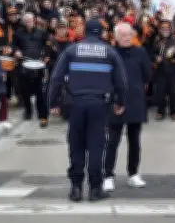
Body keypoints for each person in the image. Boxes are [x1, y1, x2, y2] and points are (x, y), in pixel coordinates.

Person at [48, 19, 128, 203]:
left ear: (85, 33)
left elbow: (56, 78)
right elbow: (122, 82)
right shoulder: (110, 52)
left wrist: (53, 103)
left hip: (75, 104)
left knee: (76, 144)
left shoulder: (72, 50)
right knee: (96, 146)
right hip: (99, 105)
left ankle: (76, 188)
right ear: (101, 33)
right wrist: (120, 102)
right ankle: (94, 189)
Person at [103, 22, 150, 193]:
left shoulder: (140, 52)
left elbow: (147, 75)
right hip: (115, 102)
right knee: (112, 141)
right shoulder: (110, 53)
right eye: (123, 35)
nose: (127, 37)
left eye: (129, 34)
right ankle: (108, 175)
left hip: (135, 101)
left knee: (135, 141)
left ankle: (133, 173)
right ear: (116, 37)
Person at [14, 13, 49, 127]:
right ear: (24, 22)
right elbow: (14, 45)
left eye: (32, 20)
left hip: (38, 64)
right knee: (25, 90)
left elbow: (47, 45)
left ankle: (40, 112)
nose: (30, 22)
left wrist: (45, 55)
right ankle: (28, 111)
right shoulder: (18, 33)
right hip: (24, 64)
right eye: (28, 21)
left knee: (39, 90)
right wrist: (16, 51)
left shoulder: (41, 32)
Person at [150, 20, 175, 121]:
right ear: (160, 29)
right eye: (163, 28)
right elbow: (151, 54)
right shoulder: (157, 40)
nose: (165, 30)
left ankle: (173, 112)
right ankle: (160, 111)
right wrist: (155, 58)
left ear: (171, 29)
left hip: (173, 70)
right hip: (161, 70)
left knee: (174, 92)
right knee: (160, 92)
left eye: (167, 28)